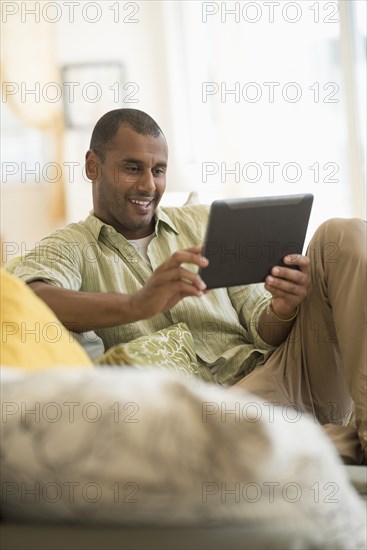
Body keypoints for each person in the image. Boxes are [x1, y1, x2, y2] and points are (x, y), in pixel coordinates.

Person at [11, 109, 366, 464]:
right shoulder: (69, 246)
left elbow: (264, 329)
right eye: (132, 168)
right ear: (93, 166)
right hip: (210, 412)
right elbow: (34, 297)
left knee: (342, 233)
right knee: (209, 433)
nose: (149, 185)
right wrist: (136, 305)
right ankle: (331, 442)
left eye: (159, 170)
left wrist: (283, 309)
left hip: (285, 373)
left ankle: (307, 440)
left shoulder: (205, 222)